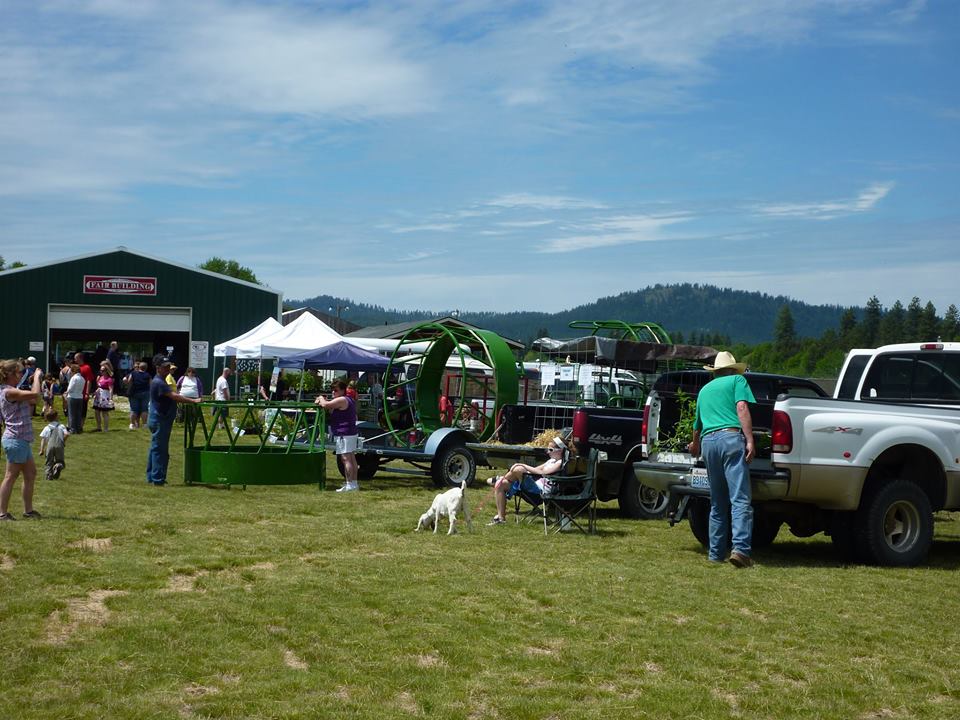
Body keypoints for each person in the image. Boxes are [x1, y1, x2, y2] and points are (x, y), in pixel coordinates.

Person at [687, 351, 757, 568]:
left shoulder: (705, 390)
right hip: (730, 438)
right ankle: (740, 550)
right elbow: (742, 407)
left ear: (716, 371)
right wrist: (750, 440)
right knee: (740, 499)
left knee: (717, 502)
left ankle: (716, 553)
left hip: (709, 443)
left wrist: (695, 446)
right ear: (733, 369)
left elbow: (697, 426)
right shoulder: (738, 380)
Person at [487, 436, 569, 525]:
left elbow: (543, 472)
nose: (548, 452)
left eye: (551, 450)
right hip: (533, 486)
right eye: (547, 449)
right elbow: (535, 469)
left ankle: (503, 477)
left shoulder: (560, 463)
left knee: (518, 469)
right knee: (500, 484)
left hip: (541, 492)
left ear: (560, 450)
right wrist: (522, 468)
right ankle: (501, 518)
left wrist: (523, 466)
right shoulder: (551, 461)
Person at [145, 357, 202, 486]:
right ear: (158, 368)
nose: (167, 369)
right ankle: (158, 479)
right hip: (160, 419)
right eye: (165, 367)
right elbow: (175, 396)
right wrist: (194, 400)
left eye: (168, 366)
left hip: (159, 418)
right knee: (160, 450)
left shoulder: (161, 381)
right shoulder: (159, 382)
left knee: (156, 448)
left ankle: (151, 477)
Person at [0, 358, 43, 520]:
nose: (21, 375)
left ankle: (28, 511)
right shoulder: (8, 392)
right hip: (15, 439)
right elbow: (35, 394)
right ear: (10, 374)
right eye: (19, 372)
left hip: (21, 440)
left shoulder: (11, 390)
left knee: (30, 473)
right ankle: (2, 513)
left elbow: (32, 399)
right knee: (10, 476)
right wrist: (37, 376)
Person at [315, 378, 360, 492]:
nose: (333, 392)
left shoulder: (342, 399)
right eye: (332, 390)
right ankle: (353, 483)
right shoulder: (348, 399)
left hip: (344, 433)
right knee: (351, 458)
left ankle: (350, 484)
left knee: (346, 459)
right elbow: (330, 409)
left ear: (342, 390)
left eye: (335, 390)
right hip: (349, 432)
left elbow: (325, 405)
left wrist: (321, 398)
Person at [39, 408, 68, 480]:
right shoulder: (61, 426)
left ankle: (49, 475)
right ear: (56, 417)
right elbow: (67, 434)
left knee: (49, 461)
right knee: (60, 460)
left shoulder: (46, 428)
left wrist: (42, 450)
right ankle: (58, 465)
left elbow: (43, 439)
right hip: (59, 446)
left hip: (50, 446)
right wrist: (63, 441)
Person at [126, 361, 151, 429]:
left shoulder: (133, 373)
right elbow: (150, 384)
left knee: (134, 409)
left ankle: (132, 424)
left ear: (139, 367)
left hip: (134, 393)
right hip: (145, 393)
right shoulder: (148, 375)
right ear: (146, 368)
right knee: (144, 409)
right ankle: (144, 424)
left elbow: (129, 381)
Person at [75, 352, 95, 428]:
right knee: (75, 410)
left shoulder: (87, 367)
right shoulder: (76, 367)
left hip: (83, 393)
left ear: (80, 358)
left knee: (83, 411)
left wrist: (87, 392)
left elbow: (89, 380)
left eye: (75, 358)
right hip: (75, 392)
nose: (74, 359)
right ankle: (74, 425)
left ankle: (81, 426)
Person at [64, 363, 86, 435]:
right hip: (80, 397)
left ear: (73, 371)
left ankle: (72, 429)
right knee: (78, 414)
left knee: (71, 414)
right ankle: (78, 428)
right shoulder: (82, 378)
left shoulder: (74, 378)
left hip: (72, 397)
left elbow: (70, 388)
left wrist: (66, 392)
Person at [92, 364, 115, 432]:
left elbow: (111, 389)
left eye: (103, 370)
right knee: (96, 411)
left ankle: (106, 428)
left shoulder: (109, 379)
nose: (101, 372)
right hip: (99, 396)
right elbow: (99, 387)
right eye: (101, 370)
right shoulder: (100, 378)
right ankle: (99, 427)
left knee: (105, 413)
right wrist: (95, 392)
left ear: (106, 371)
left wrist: (111, 398)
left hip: (105, 396)